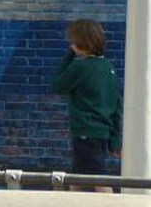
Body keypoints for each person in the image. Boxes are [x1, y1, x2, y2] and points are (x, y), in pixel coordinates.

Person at [52, 19, 122, 193]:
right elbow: (116, 105)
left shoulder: (80, 66)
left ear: (79, 42)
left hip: (84, 132)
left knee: (98, 180)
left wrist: (69, 55)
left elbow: (58, 85)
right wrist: (115, 140)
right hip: (102, 133)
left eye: (73, 40)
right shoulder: (108, 67)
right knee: (78, 178)